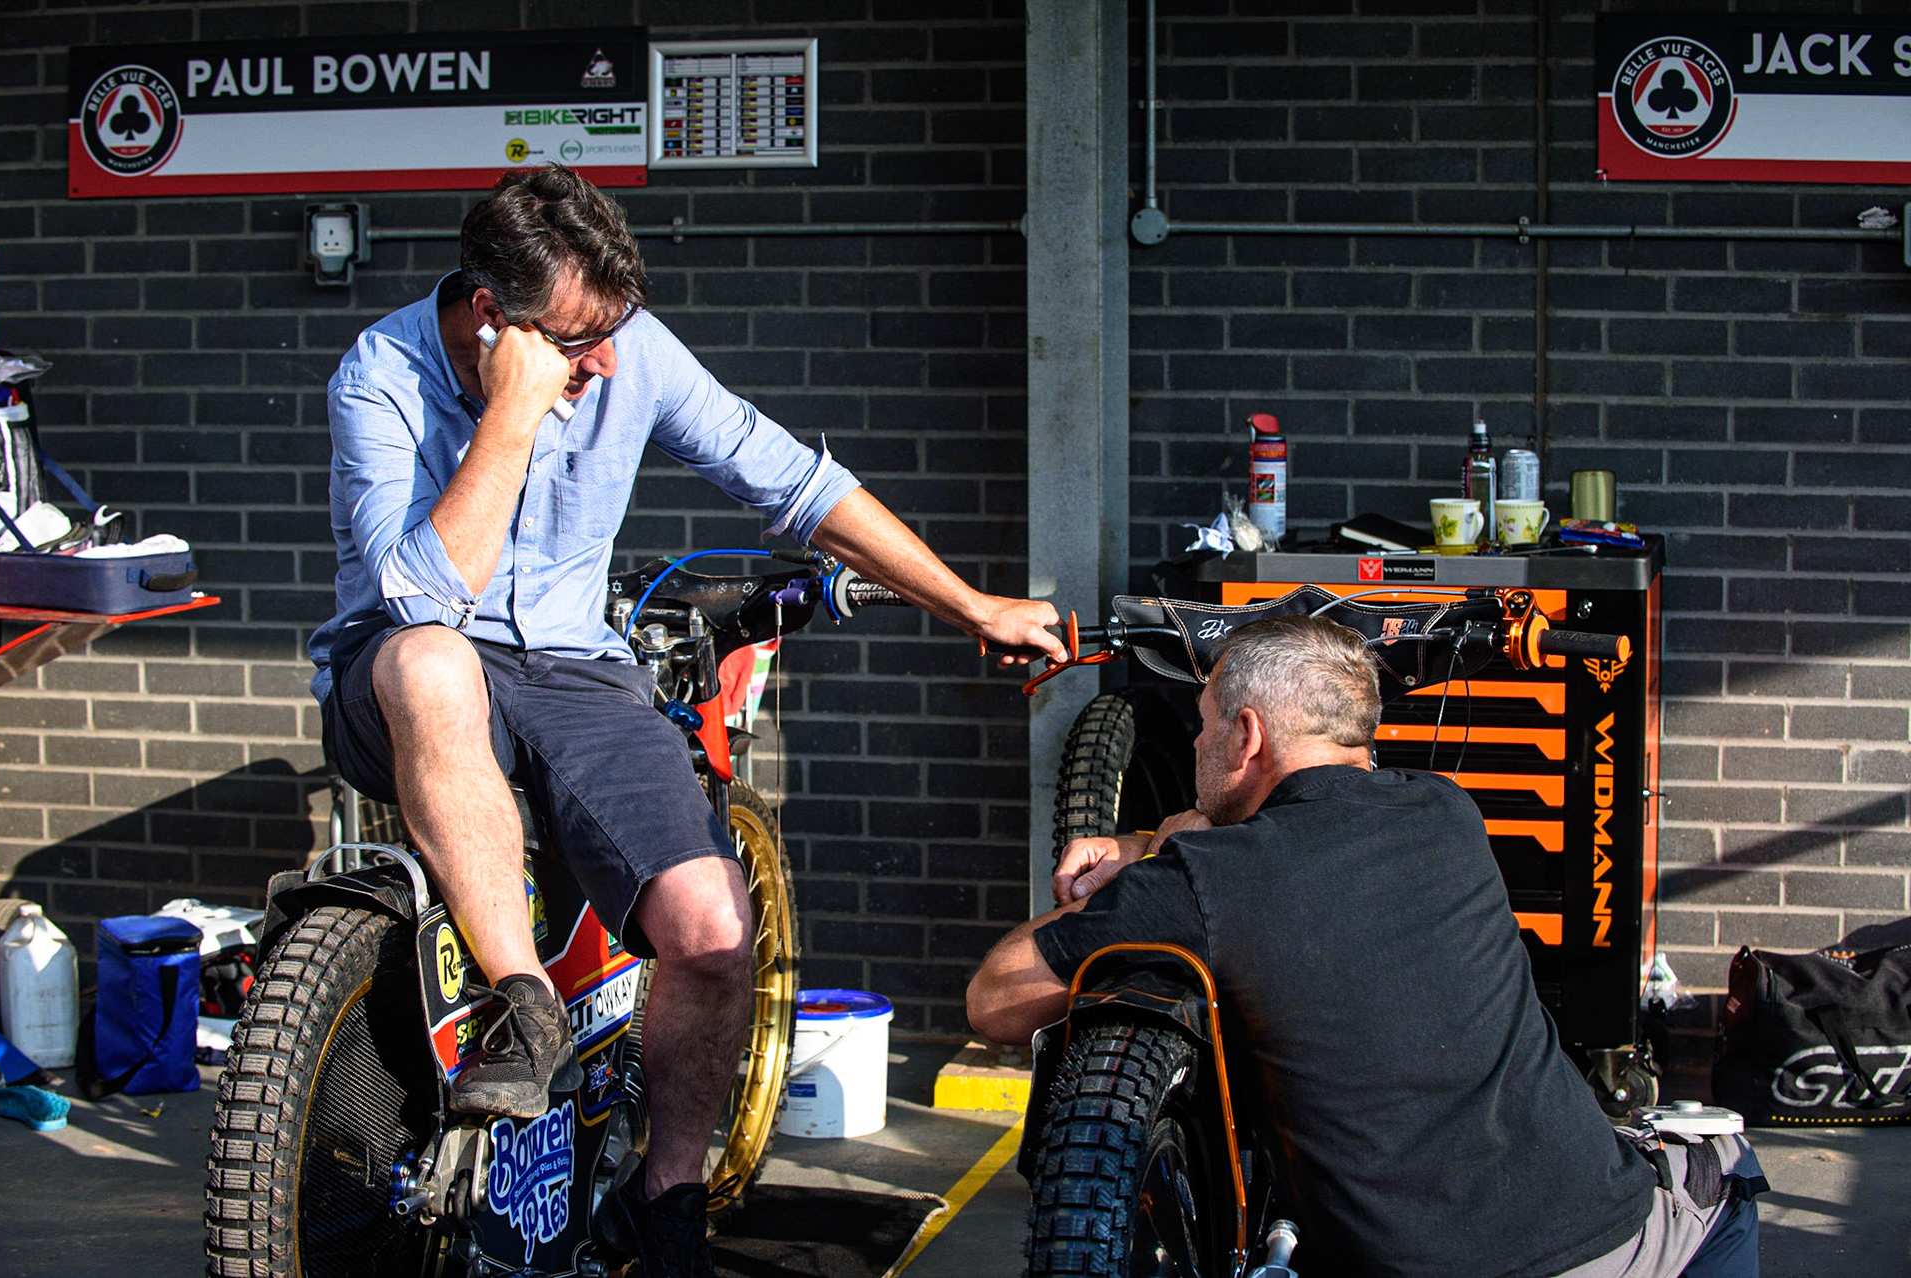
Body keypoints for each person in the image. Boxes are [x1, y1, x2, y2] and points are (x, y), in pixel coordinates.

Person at [308, 163, 1063, 1277]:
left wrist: (969, 603)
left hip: (573, 673)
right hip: (404, 675)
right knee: (431, 660)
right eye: (575, 341)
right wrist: (513, 413)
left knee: (712, 927)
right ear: (489, 319)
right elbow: (425, 598)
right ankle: (524, 1005)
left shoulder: (630, 350)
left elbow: (796, 485)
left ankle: (663, 1204)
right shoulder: (382, 374)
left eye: (611, 330)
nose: (604, 361)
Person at [968, 616, 1763, 1278]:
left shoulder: (1205, 882)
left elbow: (995, 998)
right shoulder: (1447, 814)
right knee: (1721, 1161)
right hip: (1621, 1247)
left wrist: (1151, 854)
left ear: (1246, 736)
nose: (1200, 745)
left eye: (1206, 725)